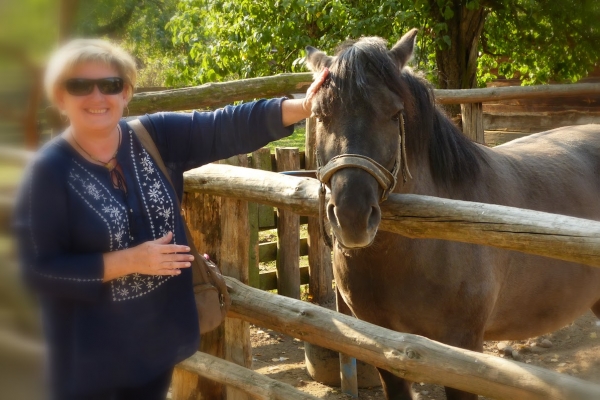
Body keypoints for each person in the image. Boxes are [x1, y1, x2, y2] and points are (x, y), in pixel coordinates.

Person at [13, 38, 328, 400]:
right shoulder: (47, 172)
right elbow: (36, 271)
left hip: (154, 347)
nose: (97, 97)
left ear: (127, 92)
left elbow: (226, 125)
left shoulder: (152, 137)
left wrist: (304, 106)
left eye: (111, 85)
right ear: (60, 97)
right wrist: (129, 261)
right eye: (80, 85)